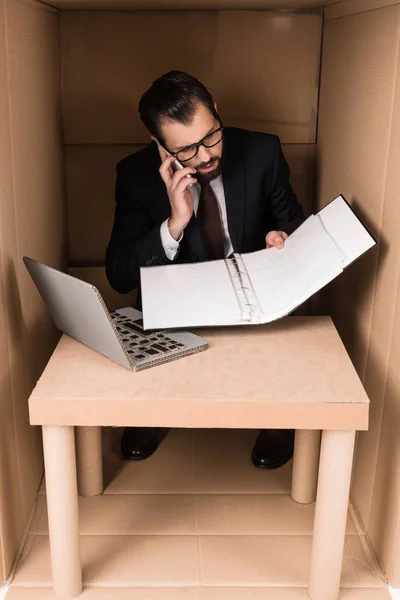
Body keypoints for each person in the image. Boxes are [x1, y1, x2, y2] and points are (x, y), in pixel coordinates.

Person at [106, 71, 305, 469]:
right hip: (177, 307)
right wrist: (173, 224)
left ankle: (277, 420)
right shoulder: (134, 174)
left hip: (252, 298)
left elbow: (296, 226)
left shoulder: (262, 151)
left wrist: (281, 241)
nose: (204, 156)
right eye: (185, 150)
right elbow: (119, 275)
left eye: (210, 136)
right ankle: (151, 413)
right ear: (159, 145)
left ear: (216, 110)